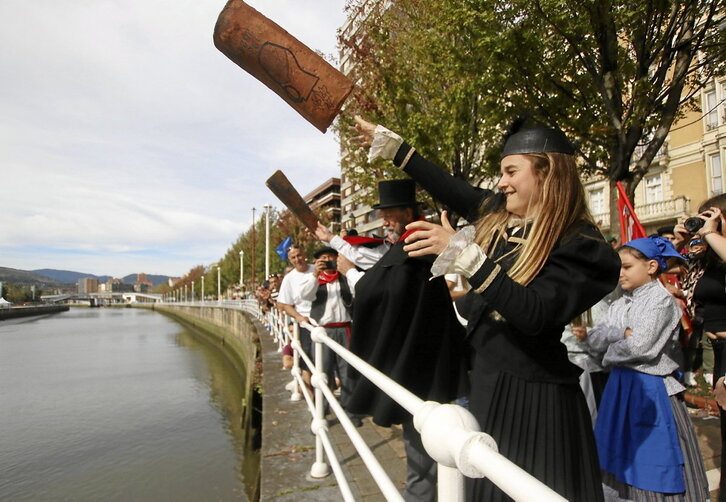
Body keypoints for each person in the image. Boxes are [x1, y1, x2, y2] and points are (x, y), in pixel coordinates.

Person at [352, 115, 621, 501]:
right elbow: (449, 187)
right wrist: (396, 149)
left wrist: (466, 257)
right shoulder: (500, 214)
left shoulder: (586, 247)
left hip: (536, 402)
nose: (501, 182)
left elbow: (534, 315)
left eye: (511, 171)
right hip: (486, 384)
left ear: (546, 174)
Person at [342, 179, 466, 502]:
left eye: (390, 214)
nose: (384, 221)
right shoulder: (408, 249)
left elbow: (380, 291)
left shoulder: (415, 248)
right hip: (423, 364)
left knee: (425, 449)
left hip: (423, 368)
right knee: (423, 446)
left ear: (408, 212)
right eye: (383, 215)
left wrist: (352, 276)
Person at [585, 237, 708, 501]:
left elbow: (641, 347)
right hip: (620, 387)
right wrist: (620, 333)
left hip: (650, 391)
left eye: (627, 267)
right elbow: (593, 340)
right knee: (618, 456)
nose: (620, 274)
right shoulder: (619, 303)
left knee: (652, 458)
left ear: (651, 266)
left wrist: (611, 344)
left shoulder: (660, 301)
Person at [675, 195, 726, 500]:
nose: (702, 222)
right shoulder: (707, 257)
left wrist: (711, 232)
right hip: (720, 352)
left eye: (709, 215)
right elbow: (664, 264)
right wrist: (681, 240)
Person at [298, 246, 361, 424]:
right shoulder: (315, 281)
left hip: (345, 329)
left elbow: (359, 290)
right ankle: (322, 409)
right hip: (323, 332)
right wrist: (315, 275)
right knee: (323, 372)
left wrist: (348, 269)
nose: (327, 261)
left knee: (347, 373)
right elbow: (304, 296)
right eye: (323, 259)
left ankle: (351, 411)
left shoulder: (345, 278)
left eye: (330, 258)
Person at [276, 244, 315, 396]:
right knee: (307, 362)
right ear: (290, 260)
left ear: (304, 253)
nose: (297, 259)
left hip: (324, 322)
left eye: (299, 255)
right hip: (305, 325)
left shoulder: (316, 269)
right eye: (293, 257)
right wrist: (299, 317)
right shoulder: (289, 279)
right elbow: (284, 305)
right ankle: (313, 400)